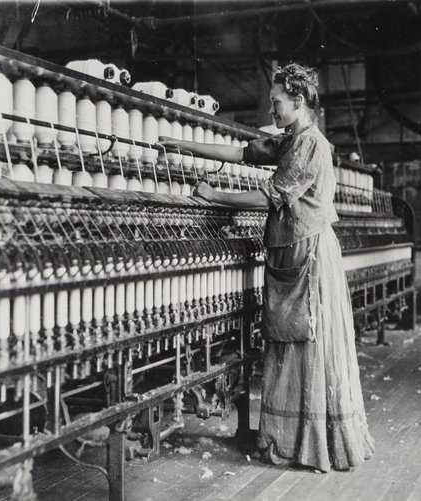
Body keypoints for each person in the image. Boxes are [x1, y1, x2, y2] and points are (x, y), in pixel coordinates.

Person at [159, 63, 374, 472]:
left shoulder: (311, 144)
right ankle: (289, 439)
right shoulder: (291, 140)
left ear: (298, 101)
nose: (271, 109)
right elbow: (243, 152)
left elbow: (270, 196)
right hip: (290, 253)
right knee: (291, 343)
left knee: (306, 344)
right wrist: (184, 146)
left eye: (276, 102)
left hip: (307, 255)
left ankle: (308, 444)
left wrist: (214, 195)